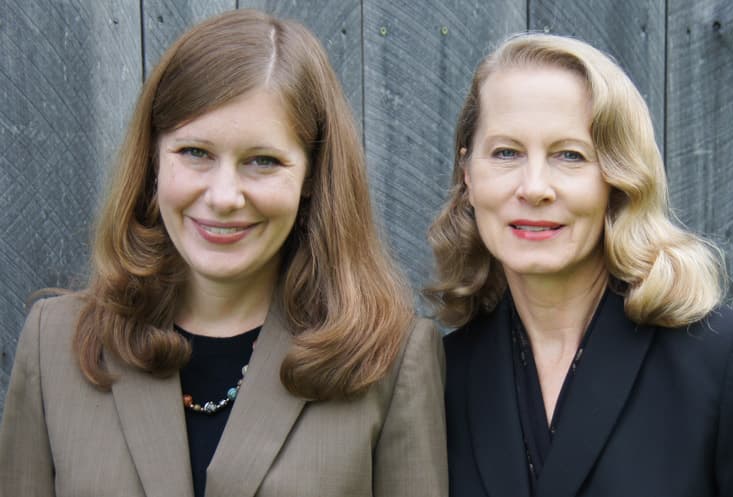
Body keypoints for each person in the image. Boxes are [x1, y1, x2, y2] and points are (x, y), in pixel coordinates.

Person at [0, 10, 446, 497]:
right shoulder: (56, 344)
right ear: (152, 158)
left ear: (312, 179)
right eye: (195, 153)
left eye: (263, 161)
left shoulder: (388, 359)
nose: (223, 196)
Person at [426, 32, 733, 497]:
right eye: (506, 153)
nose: (535, 187)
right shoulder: (440, 376)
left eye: (570, 155)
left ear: (619, 179)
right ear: (468, 175)